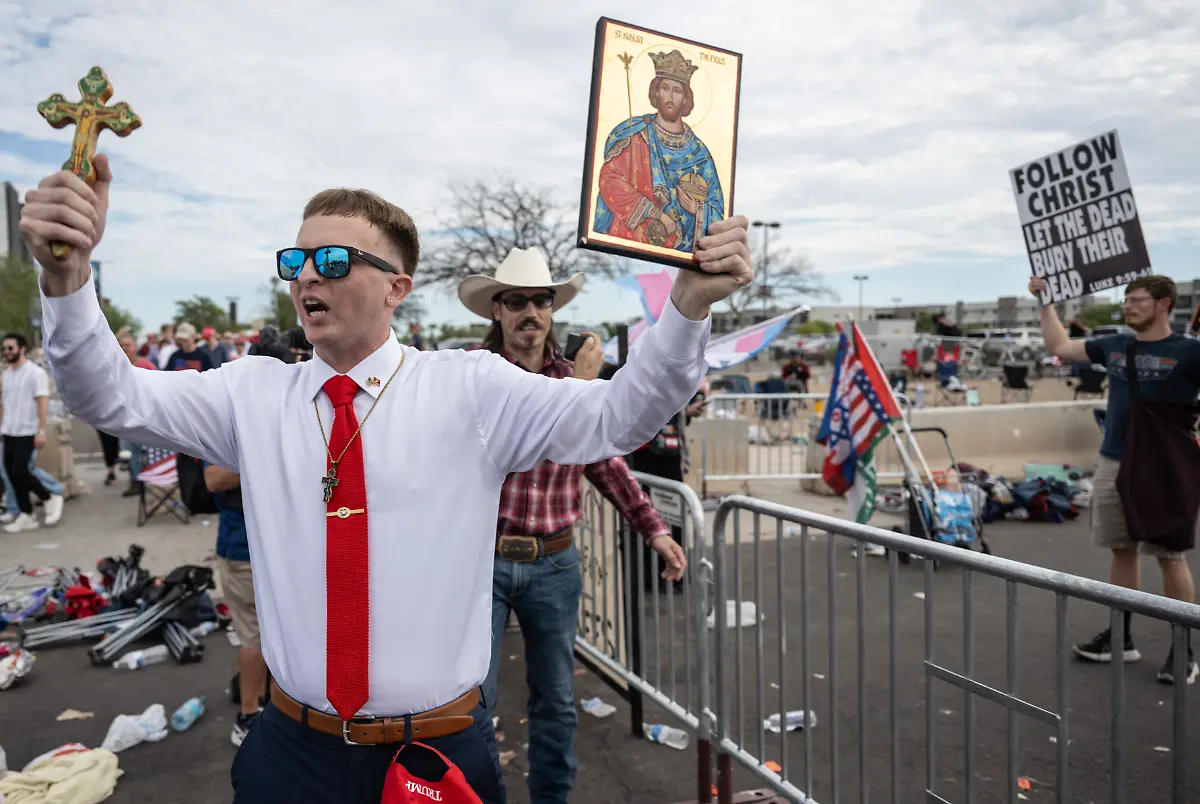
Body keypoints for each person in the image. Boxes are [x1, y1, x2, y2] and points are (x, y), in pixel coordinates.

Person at [19, 153, 751, 803]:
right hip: (292, 752)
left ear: (397, 287)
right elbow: (108, 396)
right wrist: (66, 278)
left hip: (432, 755)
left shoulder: (471, 390)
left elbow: (617, 418)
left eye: (333, 261)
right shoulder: (251, 393)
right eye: (296, 260)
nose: (307, 275)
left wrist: (686, 308)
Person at [459, 249, 683, 804]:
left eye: (540, 300)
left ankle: (551, 800)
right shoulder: (473, 378)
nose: (529, 311)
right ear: (497, 310)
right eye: (516, 301)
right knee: (471, 700)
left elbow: (605, 459)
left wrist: (653, 528)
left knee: (556, 699)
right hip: (479, 561)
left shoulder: (573, 382)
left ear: (552, 308)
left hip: (554, 560)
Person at [1033, 274, 1200, 684]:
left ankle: (1184, 650)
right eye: (1126, 299)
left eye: (1139, 300)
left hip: (1162, 468)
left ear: (1163, 304)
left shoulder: (1189, 353)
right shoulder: (1114, 345)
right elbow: (1059, 347)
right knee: (1121, 550)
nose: (1129, 306)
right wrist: (1044, 301)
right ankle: (1121, 638)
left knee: (1169, 554)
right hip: (1113, 462)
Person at [594, 49, 724, 253]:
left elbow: (717, 211)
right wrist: (653, 212)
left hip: (680, 254)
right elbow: (609, 180)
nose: (670, 97)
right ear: (656, 93)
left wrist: (697, 210)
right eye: (665, 88)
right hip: (634, 240)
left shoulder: (700, 153)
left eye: (677, 91)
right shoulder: (637, 137)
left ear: (685, 99)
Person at [205, 462, 269, 747]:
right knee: (254, 634)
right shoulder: (235, 423)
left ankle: (269, 702)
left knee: (279, 634)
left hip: (276, 547)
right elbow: (213, 479)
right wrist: (260, 452)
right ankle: (249, 714)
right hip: (243, 552)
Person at [1, 332, 65, 533]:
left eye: (10, 348)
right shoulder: (7, 373)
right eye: (4, 349)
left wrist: (40, 430)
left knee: (21, 471)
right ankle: (26, 514)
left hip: (27, 431)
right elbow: (4, 404)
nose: (6, 352)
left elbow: (42, 403)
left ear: (22, 349)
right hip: (8, 431)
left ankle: (49, 496)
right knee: (11, 474)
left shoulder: (35, 373)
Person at [117, 331, 158, 497]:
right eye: (122, 346)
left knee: (146, 450)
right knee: (129, 451)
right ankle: (135, 481)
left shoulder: (147, 366)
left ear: (135, 348)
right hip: (124, 415)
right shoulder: (115, 366)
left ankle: (149, 479)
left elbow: (158, 388)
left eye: (128, 345)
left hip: (145, 415)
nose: (125, 349)